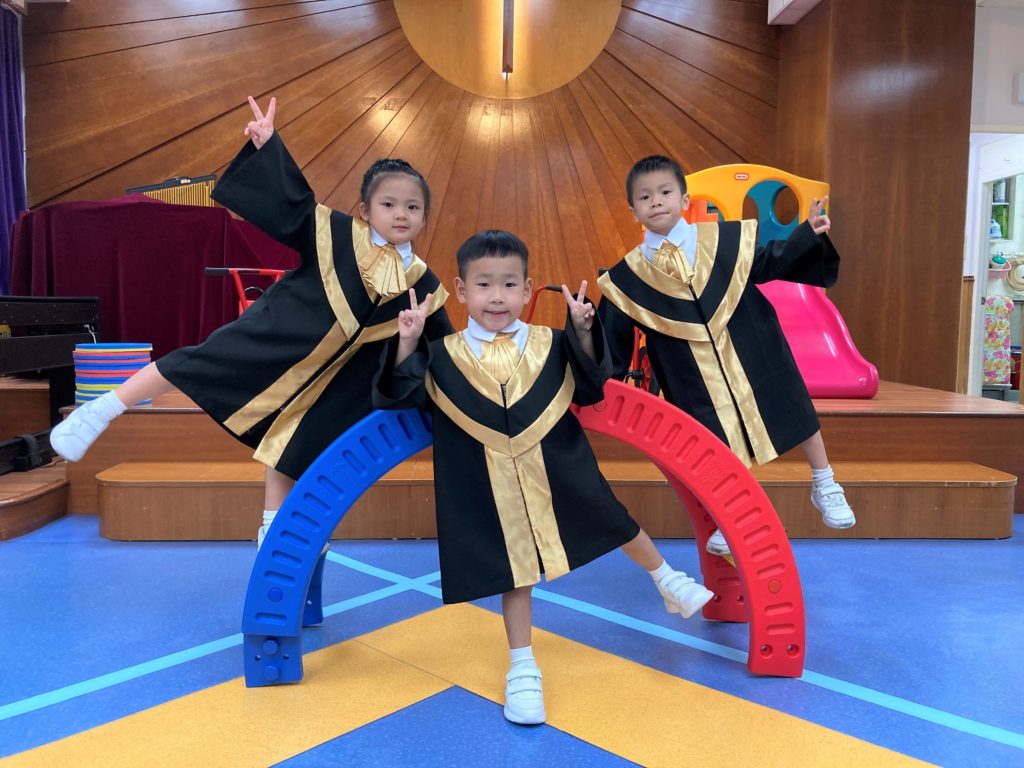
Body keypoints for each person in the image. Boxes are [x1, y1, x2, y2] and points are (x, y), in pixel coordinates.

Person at [50, 96, 453, 547]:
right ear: (365, 210)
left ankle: (271, 531)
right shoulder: (335, 231)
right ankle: (99, 411)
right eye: (389, 203)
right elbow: (291, 202)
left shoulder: (425, 284)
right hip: (280, 334)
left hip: (341, 377)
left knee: (293, 444)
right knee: (197, 362)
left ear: (424, 216)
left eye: (413, 207)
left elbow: (444, 352)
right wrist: (268, 147)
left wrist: (414, 344)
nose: (401, 214)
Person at [373, 230, 713, 725]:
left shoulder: (551, 344)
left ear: (528, 289)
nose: (497, 296)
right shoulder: (441, 356)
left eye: (509, 284)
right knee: (515, 571)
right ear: (461, 290)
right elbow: (399, 397)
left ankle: (667, 578)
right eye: (484, 285)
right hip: (486, 479)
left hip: (557, 465)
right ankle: (522, 666)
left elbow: (594, 383)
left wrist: (584, 330)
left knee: (611, 517)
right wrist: (407, 340)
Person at [597, 155, 856, 558]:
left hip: (751, 342)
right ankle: (729, 514)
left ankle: (825, 481)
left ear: (685, 199)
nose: (656, 201)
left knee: (789, 402)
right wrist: (583, 328)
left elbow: (770, 262)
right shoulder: (626, 278)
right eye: (645, 197)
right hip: (687, 368)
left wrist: (806, 235)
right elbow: (609, 341)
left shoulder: (725, 240)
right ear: (633, 211)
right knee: (710, 434)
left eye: (665, 192)